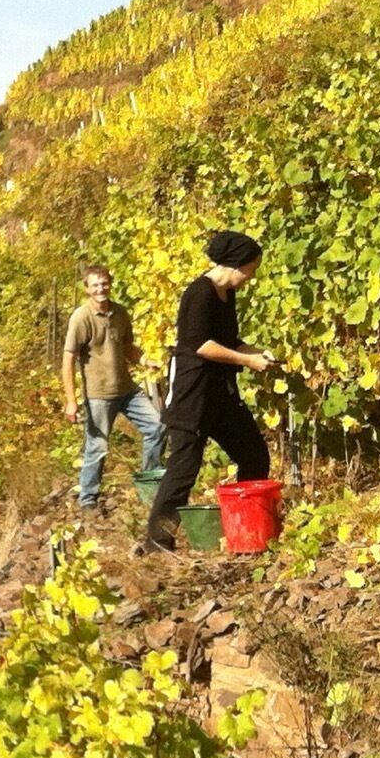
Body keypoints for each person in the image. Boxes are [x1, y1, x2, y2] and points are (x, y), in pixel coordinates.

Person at [144, 230, 276, 551]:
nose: (252, 276)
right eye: (252, 268)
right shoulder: (199, 294)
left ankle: (243, 527)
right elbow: (201, 345)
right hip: (192, 391)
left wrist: (258, 353)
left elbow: (229, 340)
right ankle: (157, 540)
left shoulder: (227, 293)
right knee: (183, 468)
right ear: (237, 264)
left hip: (220, 392)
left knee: (254, 455)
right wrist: (246, 360)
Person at [59, 265, 162, 509]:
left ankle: (150, 485)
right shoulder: (81, 318)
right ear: (86, 289)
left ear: (110, 284)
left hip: (127, 390)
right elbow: (68, 359)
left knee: (157, 427)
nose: (100, 289)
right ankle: (88, 501)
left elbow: (128, 348)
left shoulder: (120, 313)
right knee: (97, 448)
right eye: (94, 285)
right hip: (98, 394)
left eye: (104, 283)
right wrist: (71, 401)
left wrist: (147, 360)